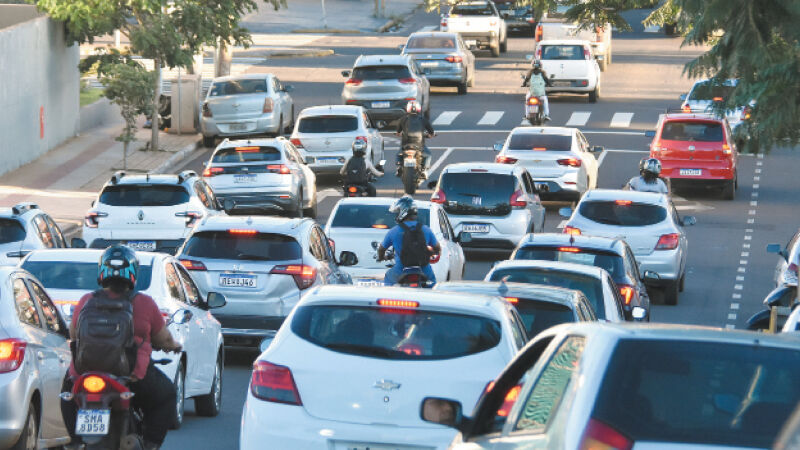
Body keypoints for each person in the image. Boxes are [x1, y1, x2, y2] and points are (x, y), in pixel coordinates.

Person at [61, 245, 182, 450]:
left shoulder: (86, 300)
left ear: (102, 271)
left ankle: (74, 441)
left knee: (67, 395)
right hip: (131, 376)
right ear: (133, 273)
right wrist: (174, 346)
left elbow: (73, 335)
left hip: (84, 374)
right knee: (167, 395)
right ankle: (151, 444)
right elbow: (164, 339)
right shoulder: (144, 303)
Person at [377, 196, 441, 286]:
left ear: (403, 212)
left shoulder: (394, 231)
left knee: (388, 279)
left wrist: (381, 257)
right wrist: (429, 252)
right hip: (424, 269)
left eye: (398, 212)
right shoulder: (426, 229)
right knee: (433, 286)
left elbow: (381, 249)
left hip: (400, 269)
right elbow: (437, 248)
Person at [395, 101, 434, 177]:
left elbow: (398, 132)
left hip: (406, 145)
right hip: (419, 145)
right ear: (419, 109)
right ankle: (424, 169)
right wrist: (430, 135)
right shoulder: (423, 119)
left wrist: (399, 134)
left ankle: (399, 167)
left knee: (399, 154)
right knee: (428, 155)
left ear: (408, 109)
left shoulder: (403, 119)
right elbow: (431, 131)